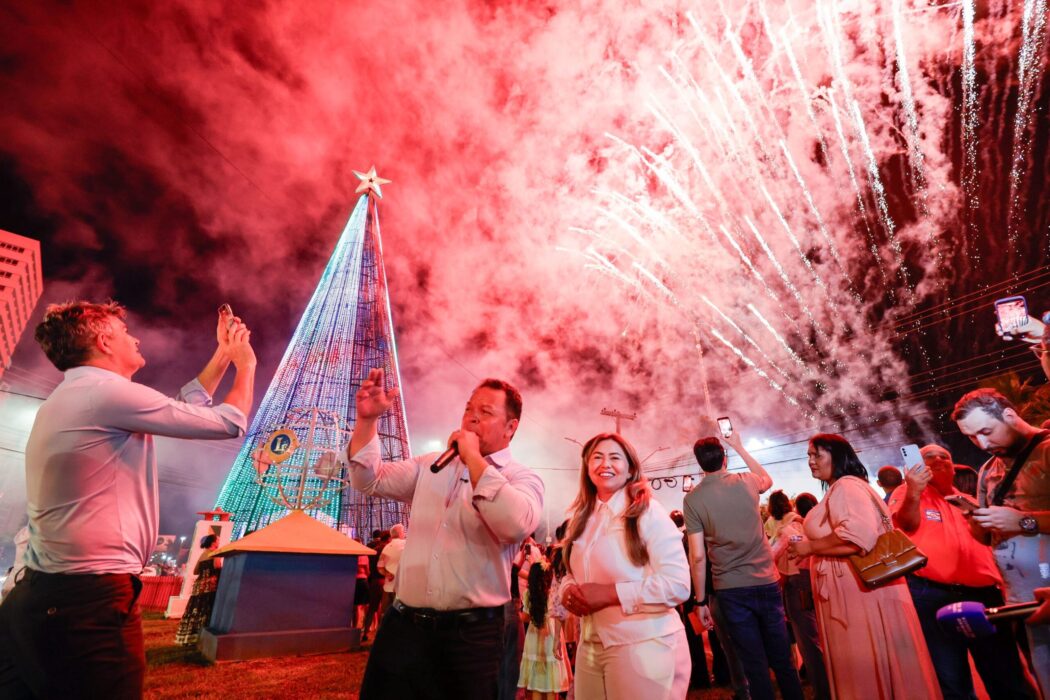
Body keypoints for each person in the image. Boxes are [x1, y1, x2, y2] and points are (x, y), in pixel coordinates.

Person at [0, 300, 255, 698]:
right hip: (87, 603)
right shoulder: (105, 393)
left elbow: (182, 406)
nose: (134, 338)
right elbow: (229, 422)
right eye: (124, 332)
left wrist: (222, 352)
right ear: (104, 341)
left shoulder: (81, 395)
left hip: (40, 597)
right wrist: (246, 363)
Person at [347, 369, 544, 700]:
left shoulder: (521, 478)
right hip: (404, 628)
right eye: (469, 409)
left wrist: (473, 459)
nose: (472, 418)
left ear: (511, 428)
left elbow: (514, 524)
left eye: (486, 413)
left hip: (472, 637)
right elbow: (370, 480)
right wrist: (367, 423)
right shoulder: (430, 465)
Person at [787, 434, 941, 700]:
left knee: (864, 670)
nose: (811, 462)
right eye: (809, 456)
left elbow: (858, 537)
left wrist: (810, 548)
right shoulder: (845, 487)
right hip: (855, 592)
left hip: (858, 595)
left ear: (838, 456)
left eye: (817, 455)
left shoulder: (847, 487)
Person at [890, 442, 1036, 699]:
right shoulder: (908, 492)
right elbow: (905, 523)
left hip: (984, 597)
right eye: (928, 457)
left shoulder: (968, 501)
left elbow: (991, 541)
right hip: (933, 596)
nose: (937, 459)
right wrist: (914, 489)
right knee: (952, 679)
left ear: (953, 467)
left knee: (1006, 674)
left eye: (944, 456)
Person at [559, 433, 690, 700]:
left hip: (643, 645)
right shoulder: (581, 517)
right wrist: (568, 588)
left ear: (630, 469)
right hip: (591, 646)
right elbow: (572, 570)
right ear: (586, 467)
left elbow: (678, 584)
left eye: (614, 457)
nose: (604, 464)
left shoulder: (647, 513)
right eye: (597, 457)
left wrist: (610, 593)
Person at [684, 431, 803, 700]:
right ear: (724, 458)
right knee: (783, 659)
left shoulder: (693, 500)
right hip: (766, 581)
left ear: (699, 463)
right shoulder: (747, 481)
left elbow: (698, 556)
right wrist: (738, 445)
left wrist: (700, 601)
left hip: (730, 589)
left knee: (754, 664)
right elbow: (768, 480)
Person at [952, 389, 1050, 697]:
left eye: (986, 431)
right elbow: (983, 537)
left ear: (1009, 416)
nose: (982, 444)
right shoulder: (988, 470)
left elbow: (1021, 521)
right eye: (971, 437)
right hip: (1019, 601)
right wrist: (977, 521)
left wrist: (1023, 521)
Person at [518, 560, 572, 699]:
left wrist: (517, 614)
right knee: (550, 675)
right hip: (552, 633)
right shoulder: (553, 593)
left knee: (536, 678)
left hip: (534, 635)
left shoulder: (529, 594)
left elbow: (526, 617)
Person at [175, 534, 224, 646]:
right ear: (213, 542)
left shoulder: (202, 554)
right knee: (207, 610)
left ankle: (190, 637)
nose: (219, 542)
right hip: (210, 586)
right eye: (218, 540)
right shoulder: (215, 553)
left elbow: (195, 571)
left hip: (198, 586)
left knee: (196, 611)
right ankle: (204, 637)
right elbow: (217, 567)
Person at [377, 522, 406, 617]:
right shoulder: (406, 544)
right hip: (401, 588)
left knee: (386, 614)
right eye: (404, 531)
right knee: (401, 614)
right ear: (400, 533)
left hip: (388, 587)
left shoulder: (387, 547)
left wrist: (387, 573)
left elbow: (379, 567)